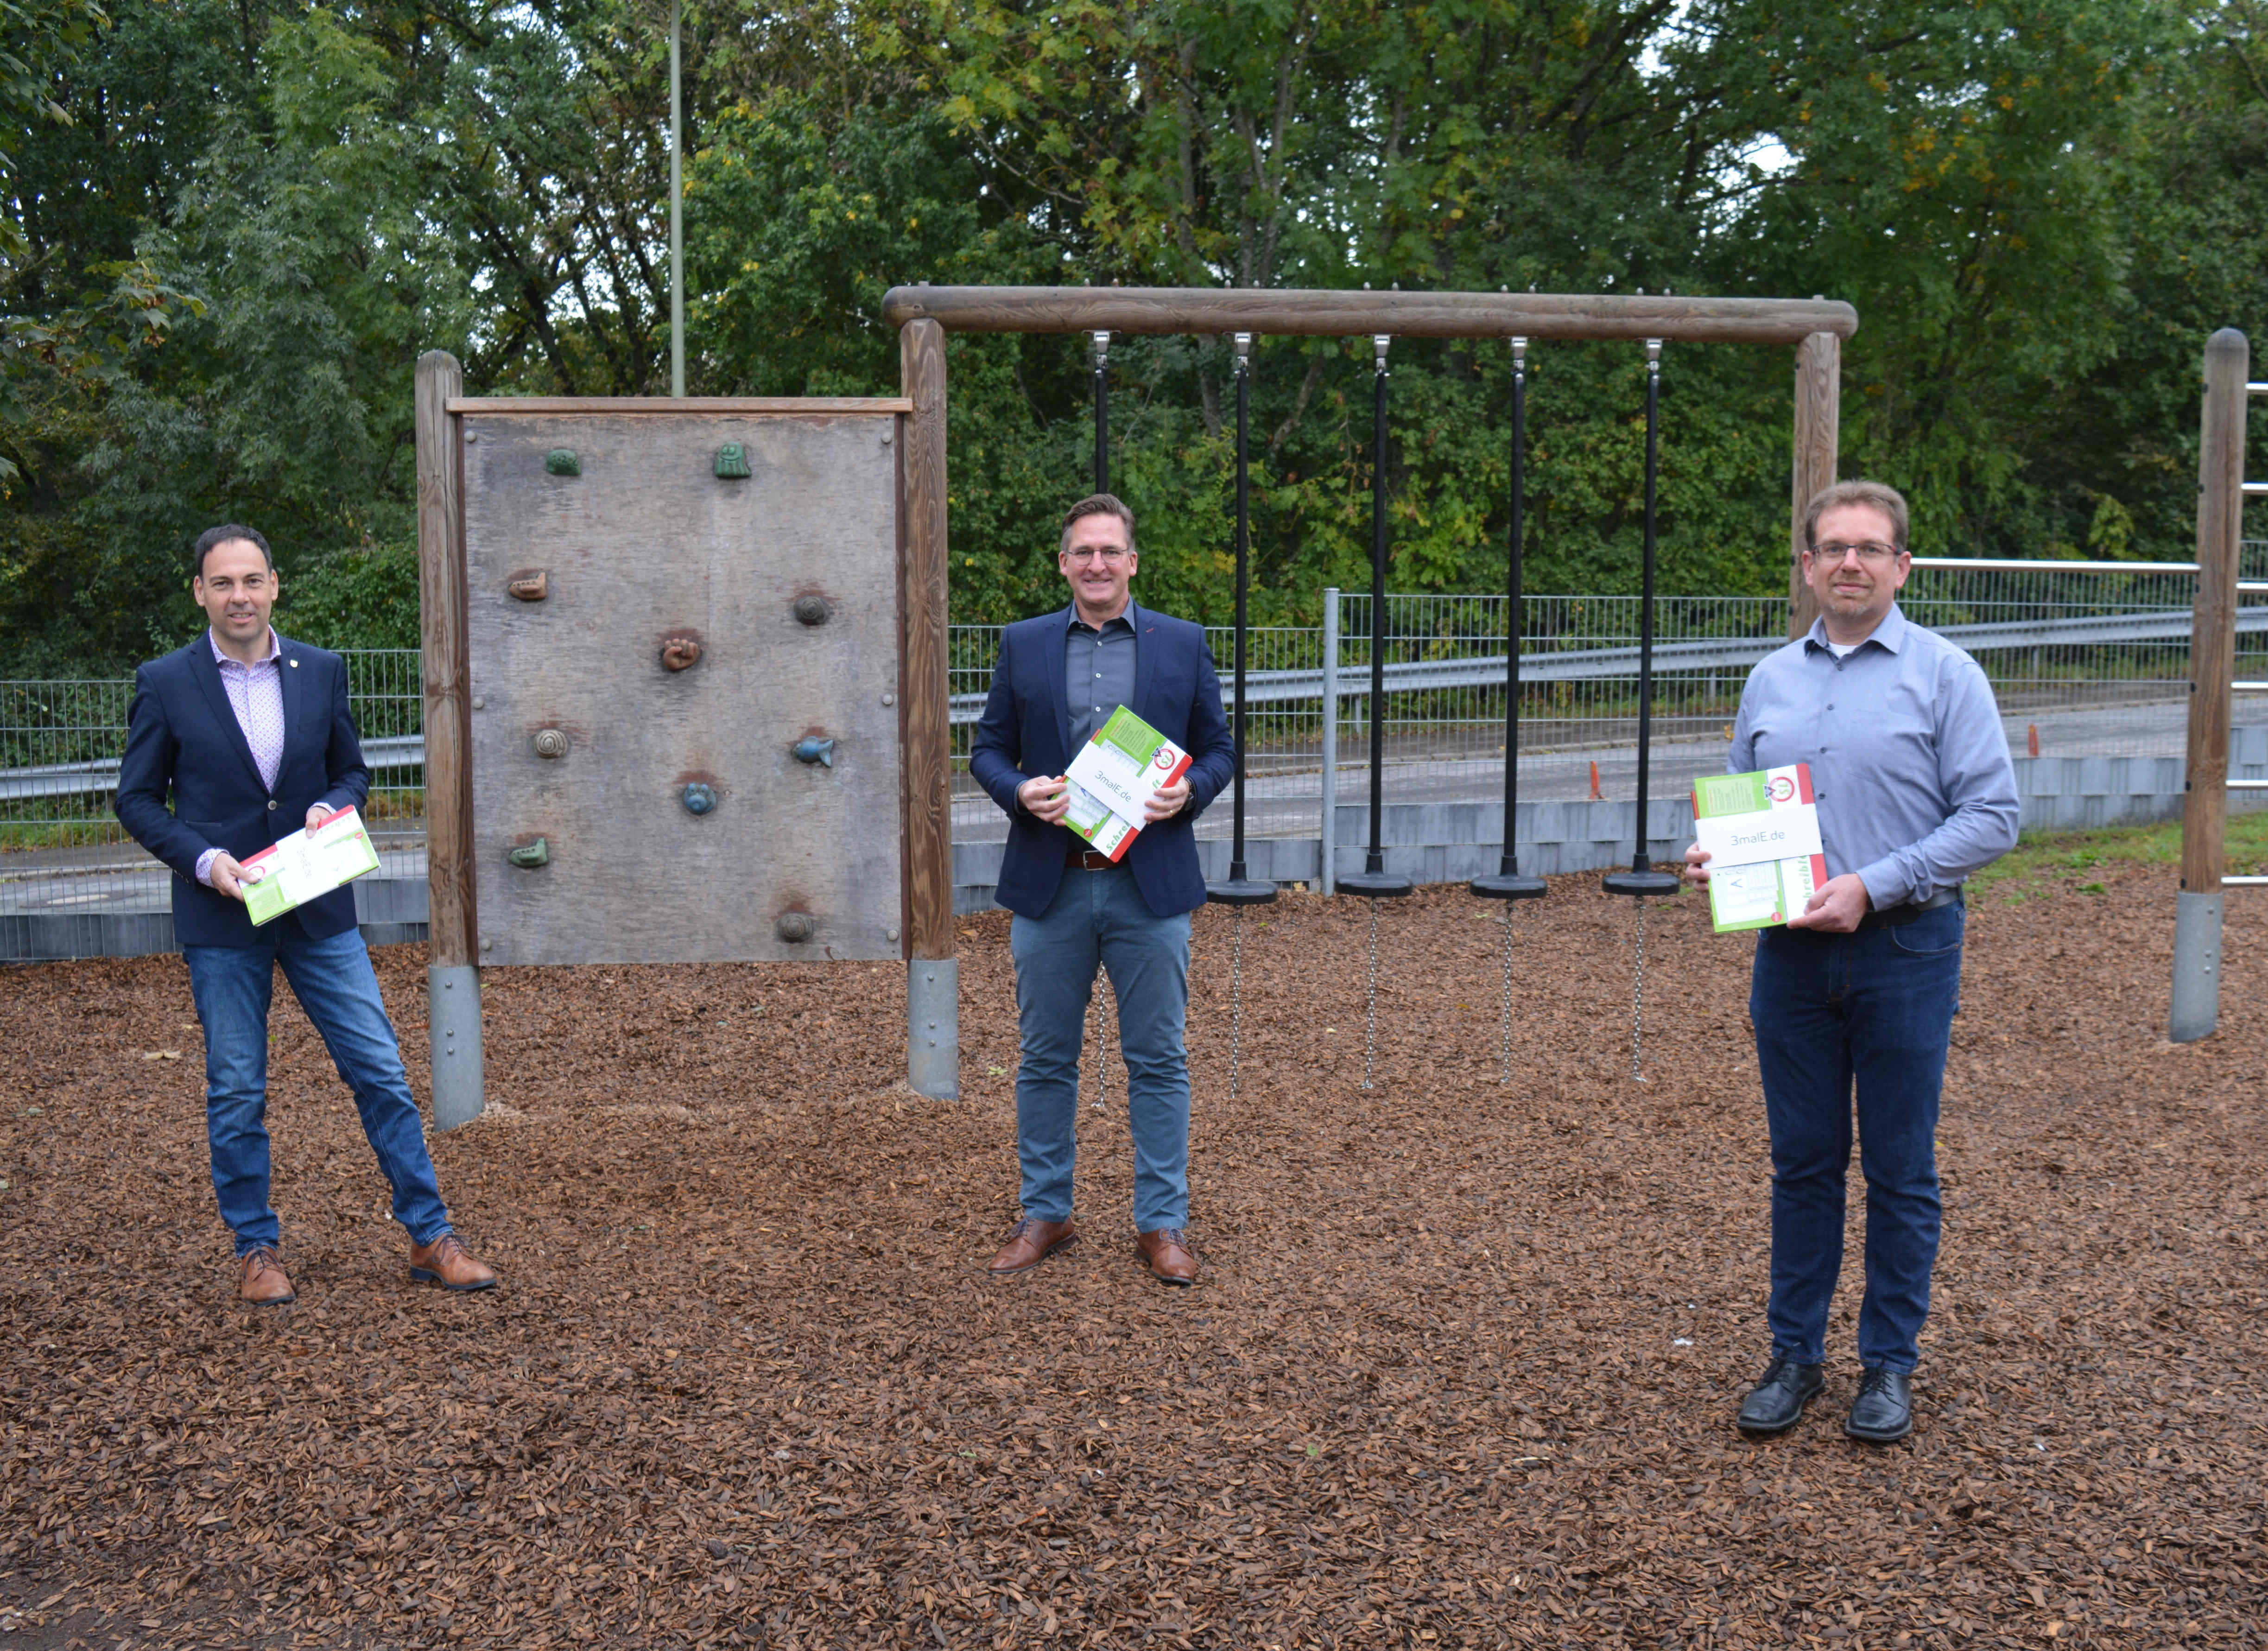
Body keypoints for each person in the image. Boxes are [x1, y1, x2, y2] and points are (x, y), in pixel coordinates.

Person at [1683, 480, 2017, 1442]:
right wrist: (1713, 854)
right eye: (1831, 547)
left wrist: (1873, 883)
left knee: (1901, 1166)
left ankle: (1887, 1364)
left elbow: (1992, 816)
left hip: (1904, 946)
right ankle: (1794, 1354)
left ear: (1900, 565)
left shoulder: (1946, 676)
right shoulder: (1768, 680)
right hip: (1787, 954)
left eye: (1869, 548)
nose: (1848, 563)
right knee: (1802, 1162)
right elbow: (1748, 805)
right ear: (1805, 564)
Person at [115, 524, 497, 1306]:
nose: (239, 595)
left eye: (252, 580)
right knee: (236, 1089)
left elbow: (352, 770)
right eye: (223, 583)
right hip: (225, 917)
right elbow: (136, 799)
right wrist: (203, 861)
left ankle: (431, 1235)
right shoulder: (165, 681)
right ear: (199, 592)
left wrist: (332, 803)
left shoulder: (321, 671)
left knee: (381, 1071)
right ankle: (256, 1250)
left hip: (319, 908)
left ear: (275, 585)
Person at [969, 494, 1236, 1285]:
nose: (1095, 564)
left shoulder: (1181, 645)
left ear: (1132, 561)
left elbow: (1218, 749)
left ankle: (1162, 1223)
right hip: (1051, 889)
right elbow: (988, 750)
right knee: (1045, 1061)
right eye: (1081, 551)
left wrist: (1190, 793)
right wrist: (1018, 792)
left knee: (1158, 1059)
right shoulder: (1022, 646)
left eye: (1109, 551)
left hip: (1145, 888)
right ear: (1063, 563)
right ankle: (1046, 1212)